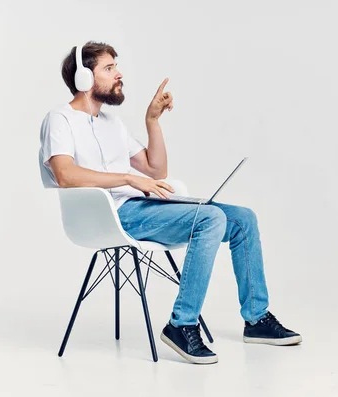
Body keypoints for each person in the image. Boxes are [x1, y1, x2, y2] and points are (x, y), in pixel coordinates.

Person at [38, 41, 301, 364]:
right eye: (109, 68)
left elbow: (155, 169)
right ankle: (182, 324)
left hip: (141, 207)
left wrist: (153, 121)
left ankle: (257, 319)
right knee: (211, 219)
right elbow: (65, 174)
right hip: (111, 215)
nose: (119, 74)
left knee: (242, 218)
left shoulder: (111, 123)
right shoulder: (60, 119)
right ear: (83, 78)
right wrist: (127, 179)